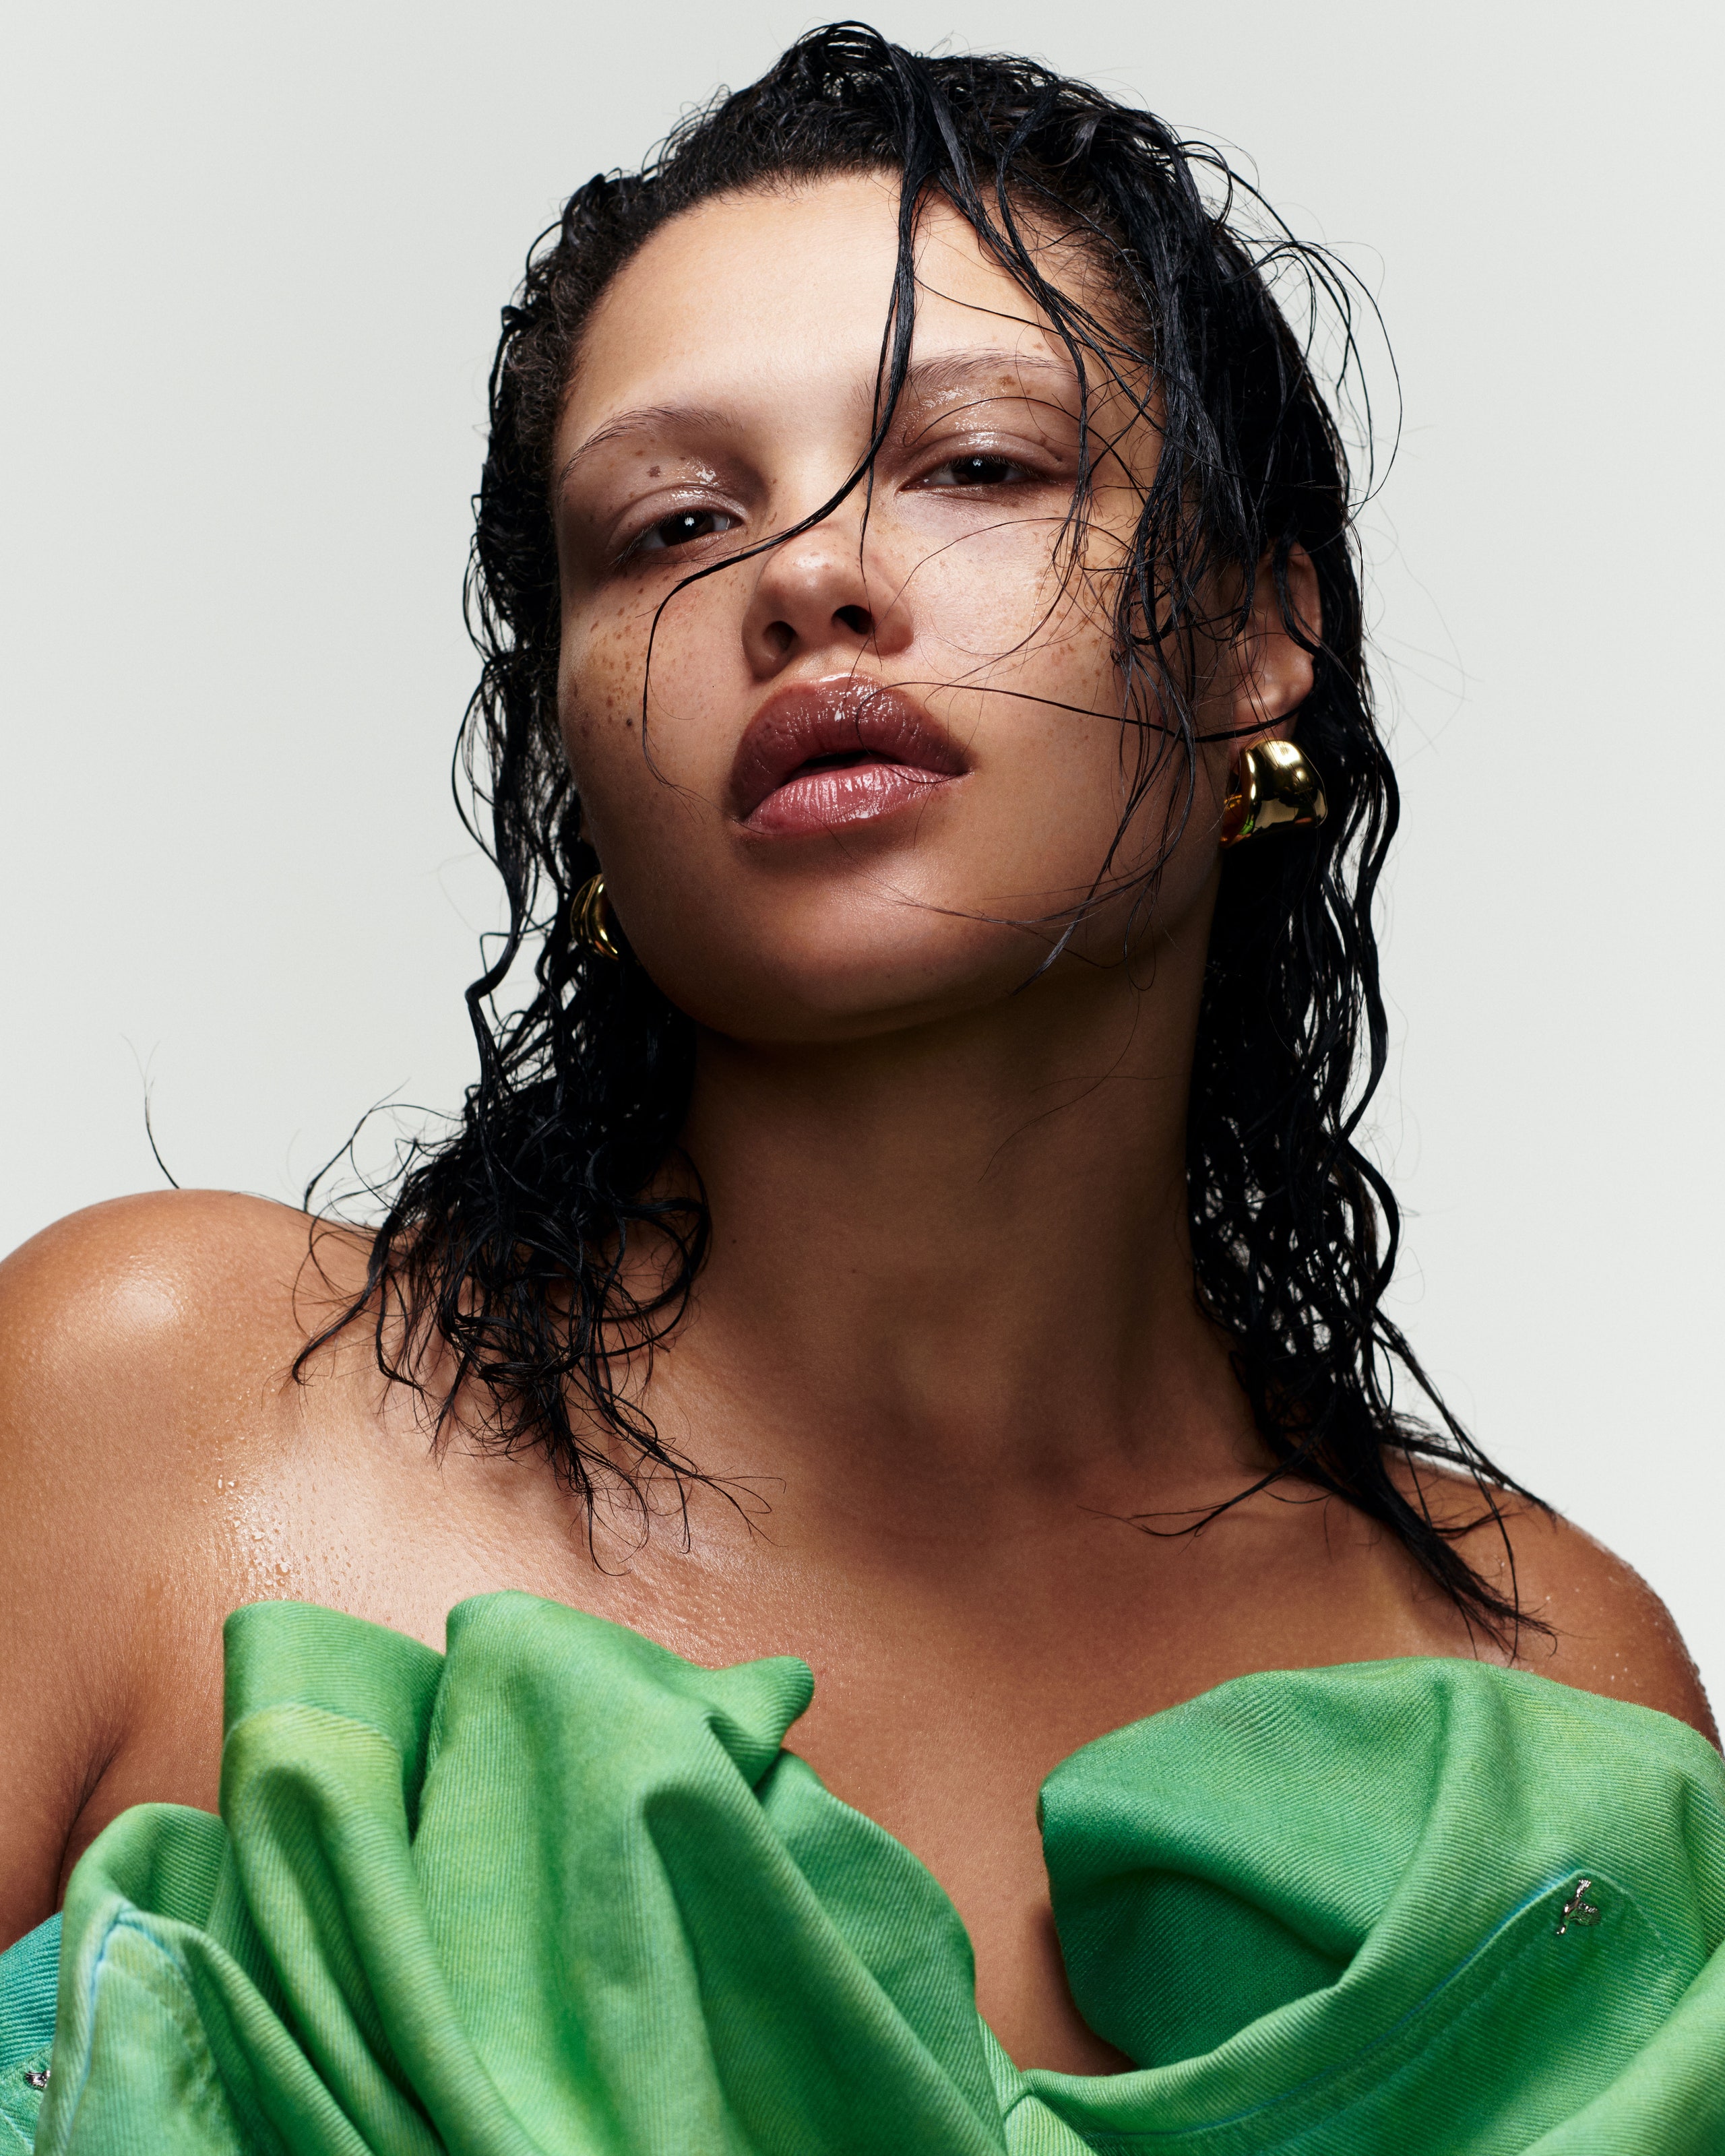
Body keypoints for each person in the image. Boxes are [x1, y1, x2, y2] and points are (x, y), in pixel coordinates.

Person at [3, 24, 1720, 2153]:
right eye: (670, 523)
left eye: (982, 464)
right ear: (574, 757)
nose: (805, 574)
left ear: (1260, 634)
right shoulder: (156, 1421)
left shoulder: (1563, 1708)